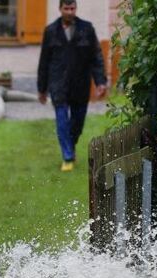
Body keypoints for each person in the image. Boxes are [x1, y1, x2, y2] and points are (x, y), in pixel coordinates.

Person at [37, 0, 107, 172]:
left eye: (72, 8)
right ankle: (67, 157)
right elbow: (44, 61)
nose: (70, 11)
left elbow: (96, 57)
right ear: (60, 9)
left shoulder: (87, 29)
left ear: (76, 8)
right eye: (66, 8)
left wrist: (100, 82)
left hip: (80, 83)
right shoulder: (51, 31)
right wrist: (42, 88)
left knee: (77, 122)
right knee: (62, 120)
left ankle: (71, 145)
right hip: (58, 83)